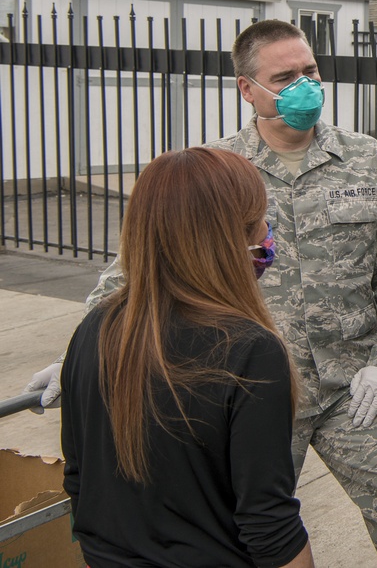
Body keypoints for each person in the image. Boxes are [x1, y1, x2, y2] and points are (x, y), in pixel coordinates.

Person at [30, 20, 377, 567]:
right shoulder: (218, 172)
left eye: (311, 71)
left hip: (353, 386)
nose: (306, 86)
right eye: (286, 76)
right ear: (248, 89)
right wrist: (82, 352)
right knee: (244, 532)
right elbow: (138, 267)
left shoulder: (367, 158)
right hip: (252, 389)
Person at [60, 147, 314, 567]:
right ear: (231, 237)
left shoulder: (94, 329)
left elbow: (80, 483)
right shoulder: (250, 349)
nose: (268, 232)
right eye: (261, 221)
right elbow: (270, 525)